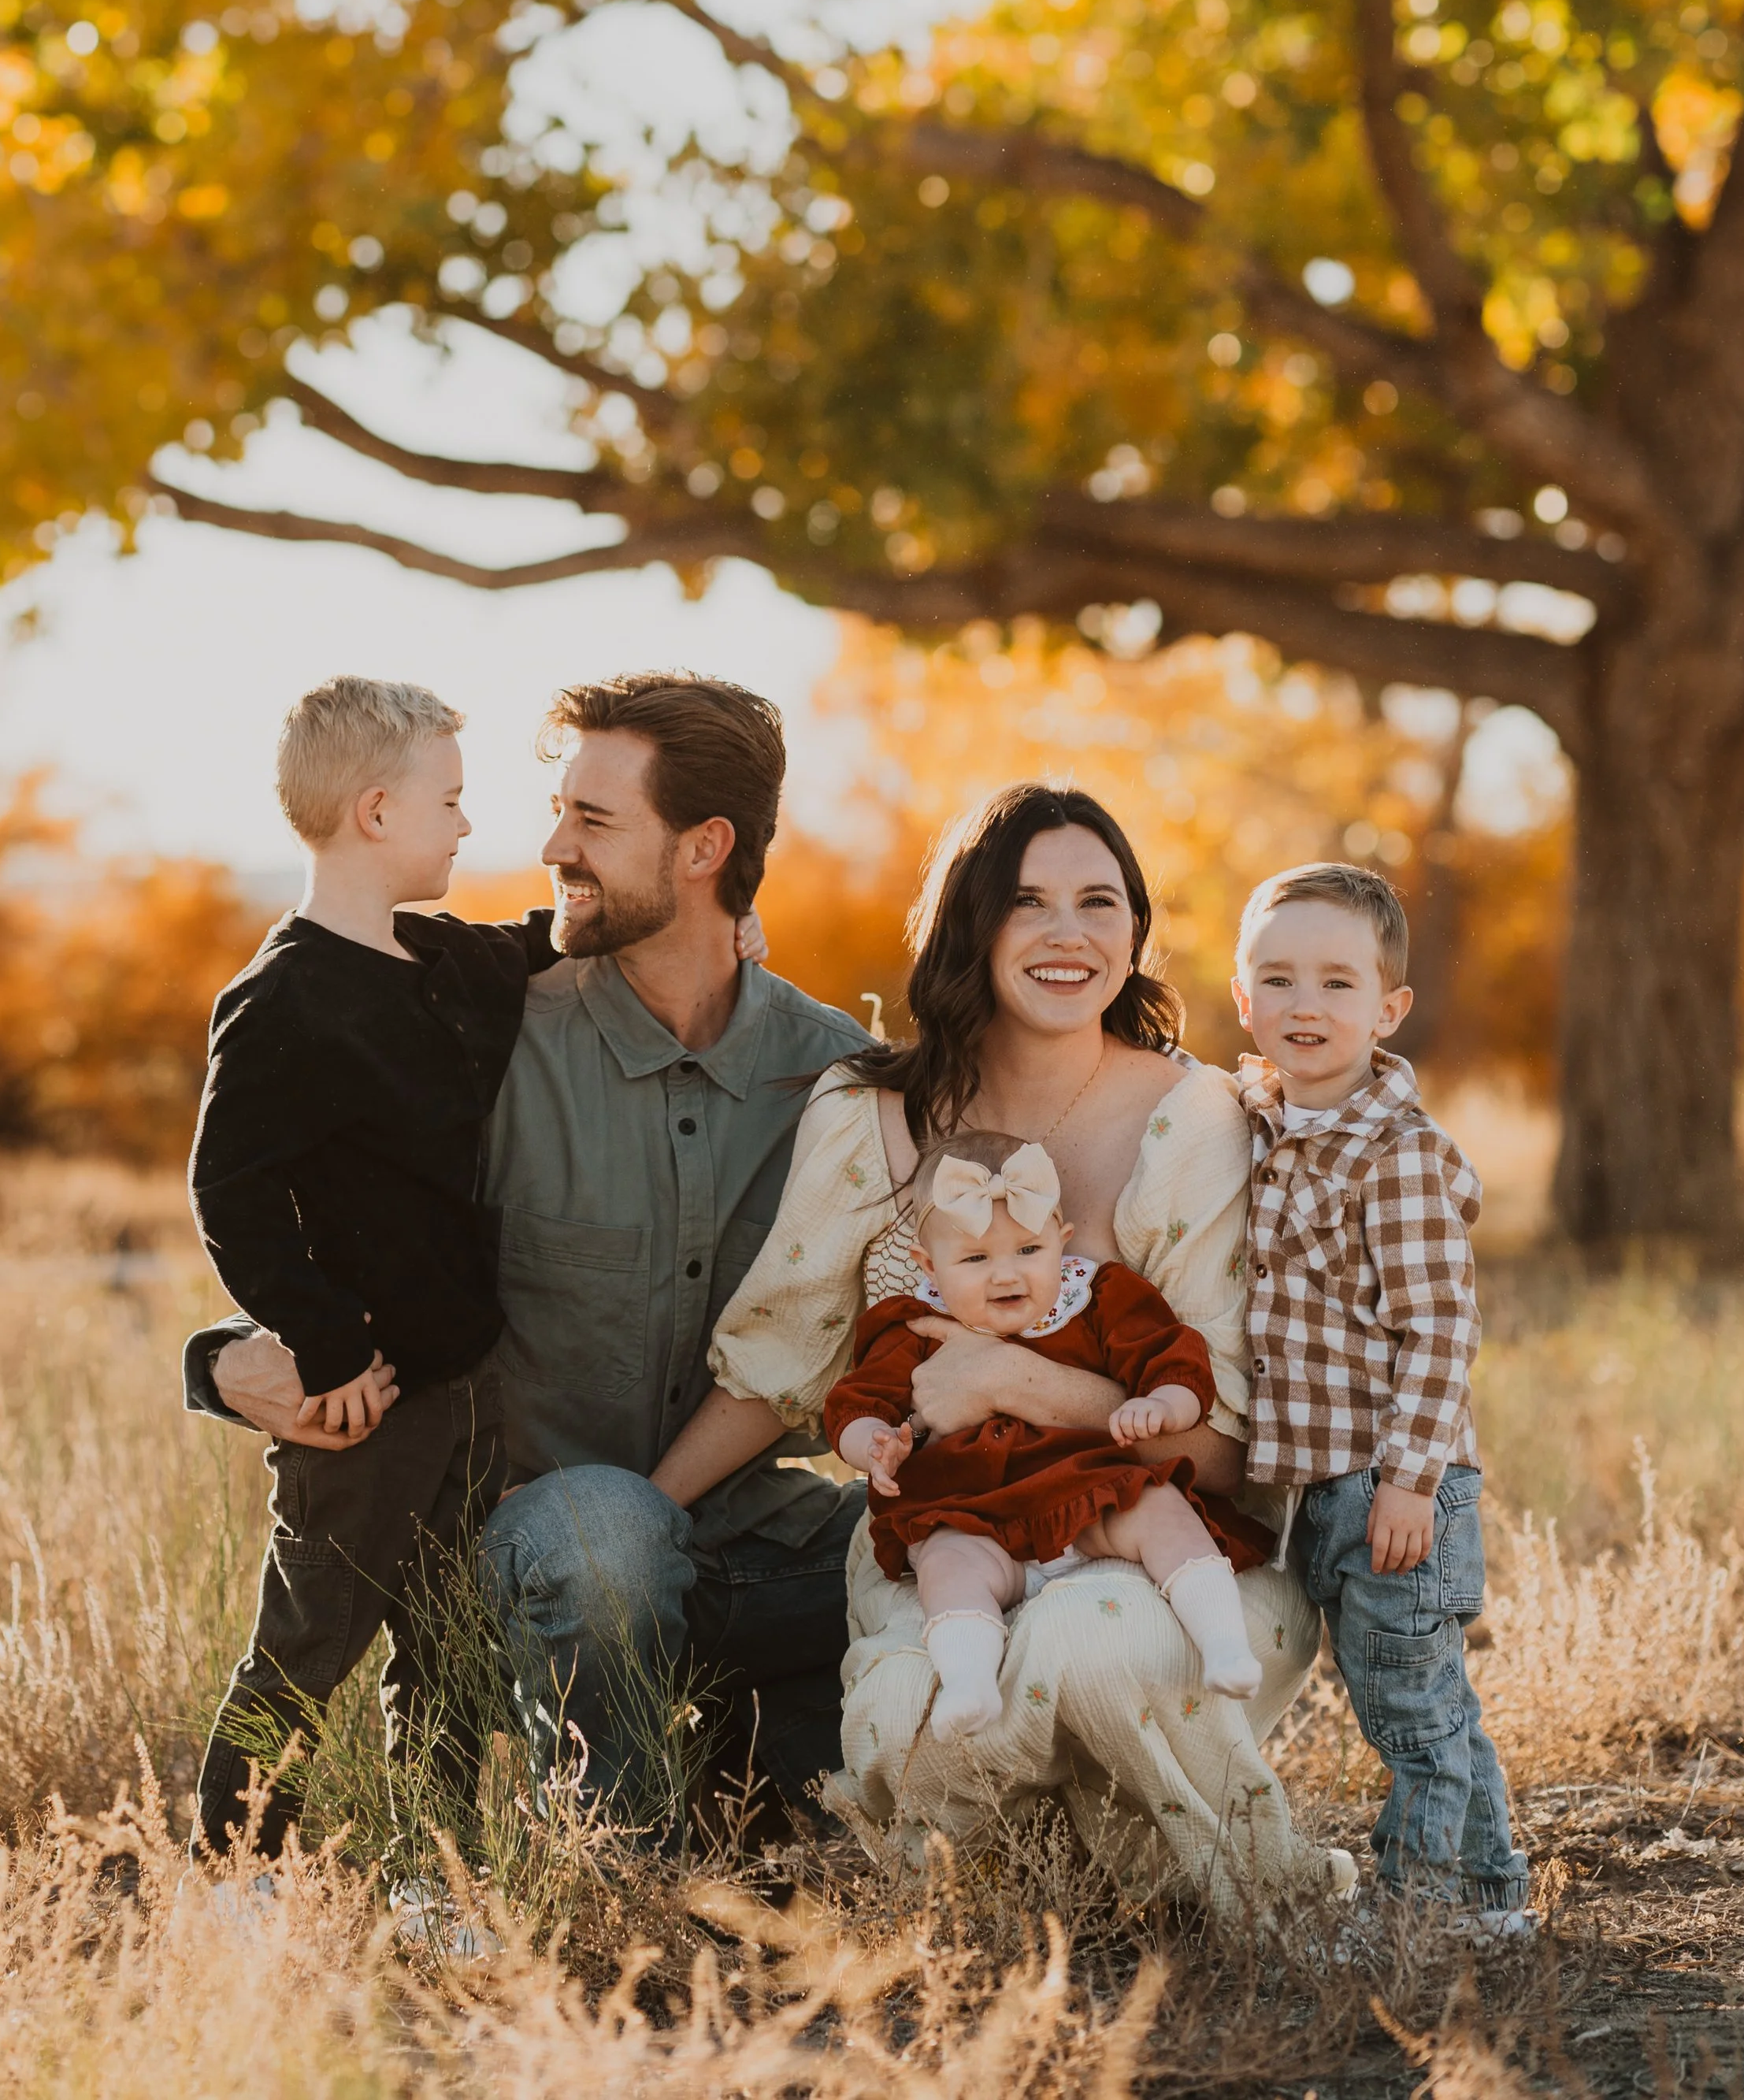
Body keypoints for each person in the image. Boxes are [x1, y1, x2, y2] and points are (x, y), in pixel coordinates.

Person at [653, 782, 1354, 1916]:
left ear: (1135, 928)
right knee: (935, 1704)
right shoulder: (869, 1114)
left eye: (1099, 901)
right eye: (1027, 901)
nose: (1068, 932)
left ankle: (1262, 1897)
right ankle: (1063, 1869)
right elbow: (776, 1364)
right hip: (954, 1546)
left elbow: (1244, 1452)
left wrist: (1024, 1382)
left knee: (1088, 1640)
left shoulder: (1200, 1119)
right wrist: (648, 1518)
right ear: (968, 922)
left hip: (1168, 1557)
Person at [184, 671, 866, 1827]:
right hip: (532, 1545)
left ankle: (754, 1790)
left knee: (946, 1551)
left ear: (707, 848)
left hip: (739, 1535)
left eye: (592, 820)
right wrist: (223, 1360)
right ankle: (609, 1852)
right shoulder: (479, 1033)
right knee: (577, 1553)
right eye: (559, 808)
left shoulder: (835, 1074)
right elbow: (307, 1204)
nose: (548, 842)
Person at [189, 674, 561, 1861]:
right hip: (366, 1403)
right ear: (376, 811)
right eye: (450, 800)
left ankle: (431, 1879)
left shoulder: (444, 960)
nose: (466, 823)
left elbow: (548, 940)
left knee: (453, 1654)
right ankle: (237, 1880)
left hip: (469, 1390)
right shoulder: (284, 995)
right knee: (306, 1649)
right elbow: (228, 1193)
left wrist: (719, 922)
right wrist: (328, 1342)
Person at [1232, 859, 1531, 1934]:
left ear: (1389, 1007)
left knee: (1413, 1713)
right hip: (1326, 1488)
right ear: (1242, 998)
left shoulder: (1394, 1155)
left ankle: (1423, 1911)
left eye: (1337, 983)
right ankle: (1493, 1899)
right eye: (1277, 979)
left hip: (1395, 1485)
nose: (1304, 1004)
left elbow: (1443, 1326)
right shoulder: (1265, 1117)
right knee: (1415, 1703)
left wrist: (1409, 1479)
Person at [826, 1131, 1269, 1738]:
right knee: (945, 1564)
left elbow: (1169, 1355)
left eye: (1028, 1250)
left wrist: (1166, 1403)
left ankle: (1223, 1646)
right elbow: (855, 1407)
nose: (1006, 1275)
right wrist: (877, 1444)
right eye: (976, 1259)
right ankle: (970, 1683)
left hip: (1089, 1494)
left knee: (1161, 1506)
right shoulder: (913, 1328)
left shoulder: (1096, 1296)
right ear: (929, 1265)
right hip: (972, 1513)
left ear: (1061, 1240)